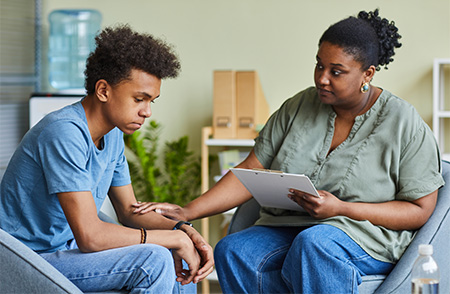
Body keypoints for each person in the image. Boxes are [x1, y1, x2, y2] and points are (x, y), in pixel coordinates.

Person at [134, 9, 445, 293]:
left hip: (366, 237)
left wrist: (343, 209)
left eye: (336, 72)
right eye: (319, 65)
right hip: (293, 228)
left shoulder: (403, 123)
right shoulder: (298, 106)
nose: (322, 78)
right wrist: (189, 211)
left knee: (315, 244)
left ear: (368, 74)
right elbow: (250, 170)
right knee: (233, 249)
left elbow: (420, 210)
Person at [0, 25, 213, 293]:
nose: (147, 112)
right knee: (155, 259)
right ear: (103, 90)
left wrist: (184, 231)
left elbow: (129, 211)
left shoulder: (112, 136)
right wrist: (169, 239)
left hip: (65, 251)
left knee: (173, 259)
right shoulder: (63, 132)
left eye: (151, 102)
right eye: (139, 99)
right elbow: (90, 236)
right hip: (25, 260)